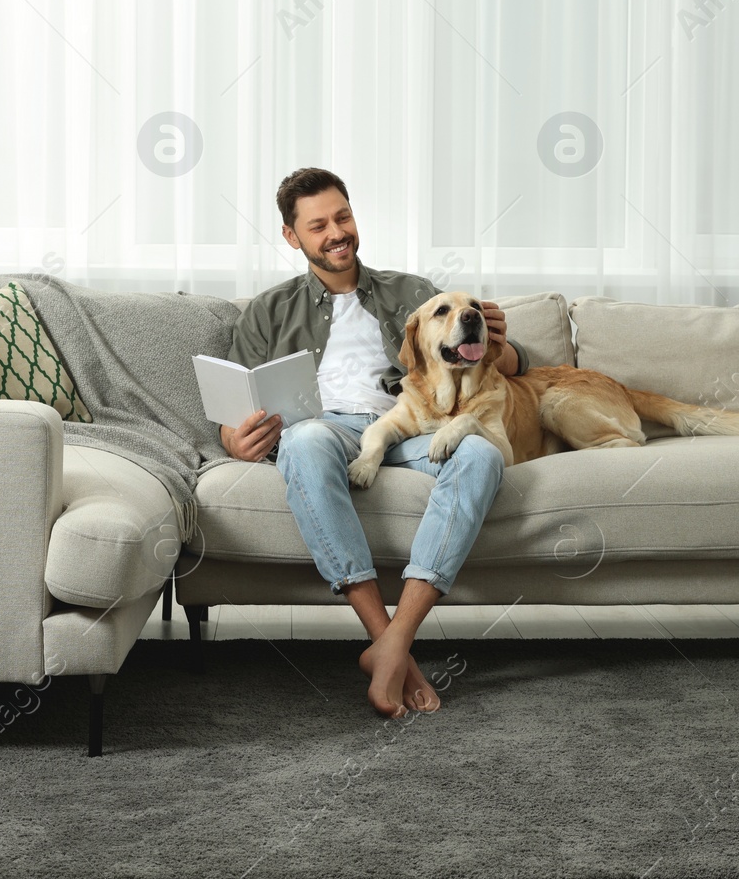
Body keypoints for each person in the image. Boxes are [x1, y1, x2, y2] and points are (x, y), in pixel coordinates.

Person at [222, 168, 531, 718]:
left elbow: (510, 362)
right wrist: (233, 436)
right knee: (306, 440)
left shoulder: (413, 293)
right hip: (328, 430)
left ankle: (390, 647)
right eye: (318, 226)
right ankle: (392, 645)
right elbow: (230, 402)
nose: (336, 232)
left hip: (410, 426)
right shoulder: (268, 311)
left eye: (343, 217)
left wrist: (497, 345)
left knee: (481, 452)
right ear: (293, 237)